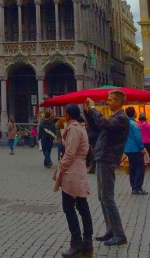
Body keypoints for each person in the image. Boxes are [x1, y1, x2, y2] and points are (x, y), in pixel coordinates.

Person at [84, 91, 129, 247]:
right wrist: (88, 113)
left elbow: (104, 125)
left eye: (110, 100)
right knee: (102, 196)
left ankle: (119, 234)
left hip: (108, 158)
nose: (108, 102)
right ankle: (111, 229)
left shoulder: (121, 118)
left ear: (118, 102)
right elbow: (97, 127)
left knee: (108, 197)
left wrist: (94, 108)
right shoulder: (114, 117)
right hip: (102, 157)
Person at [53, 104, 93, 258]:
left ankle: (76, 242)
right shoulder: (78, 127)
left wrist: (61, 168)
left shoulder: (75, 129)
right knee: (82, 205)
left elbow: (70, 152)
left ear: (68, 114)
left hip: (72, 171)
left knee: (69, 206)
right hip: (77, 168)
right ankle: (87, 241)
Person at [124, 107, 147, 195]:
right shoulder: (134, 124)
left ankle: (133, 186)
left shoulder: (126, 123)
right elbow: (138, 137)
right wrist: (142, 147)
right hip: (136, 149)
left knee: (132, 168)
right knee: (140, 168)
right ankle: (138, 187)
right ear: (134, 113)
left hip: (128, 149)